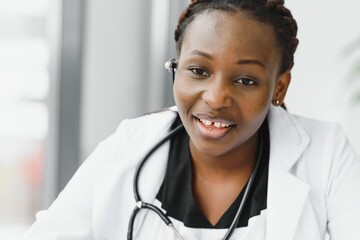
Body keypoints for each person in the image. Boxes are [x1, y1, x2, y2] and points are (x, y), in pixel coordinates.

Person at [23, 0, 360, 239]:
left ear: (279, 88)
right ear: (176, 70)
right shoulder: (129, 146)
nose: (215, 98)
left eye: (245, 80)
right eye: (198, 71)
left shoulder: (326, 152)